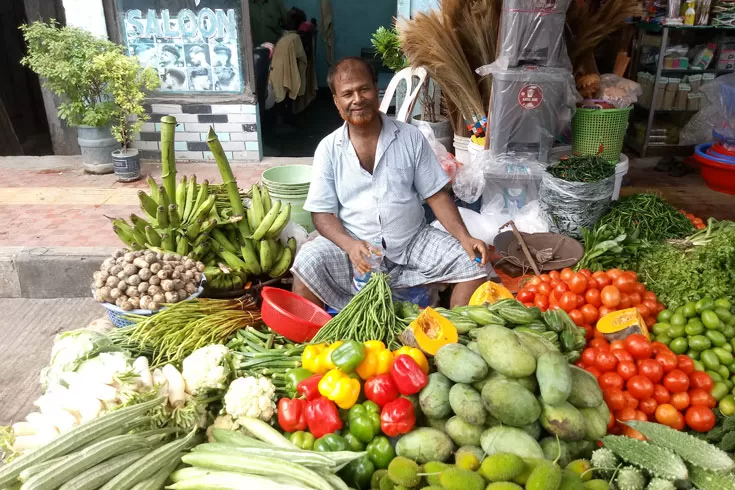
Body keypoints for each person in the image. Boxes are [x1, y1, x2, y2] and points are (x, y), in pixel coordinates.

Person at [292, 57, 493, 311]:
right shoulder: (328, 149)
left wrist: (464, 236)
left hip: (412, 241)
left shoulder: (410, 138)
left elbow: (436, 196)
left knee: (473, 262)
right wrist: (349, 245)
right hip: (356, 246)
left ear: (377, 90)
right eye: (347, 93)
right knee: (307, 262)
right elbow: (321, 214)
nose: (357, 99)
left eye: (363, 89)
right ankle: (311, 339)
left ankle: (447, 339)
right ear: (336, 101)